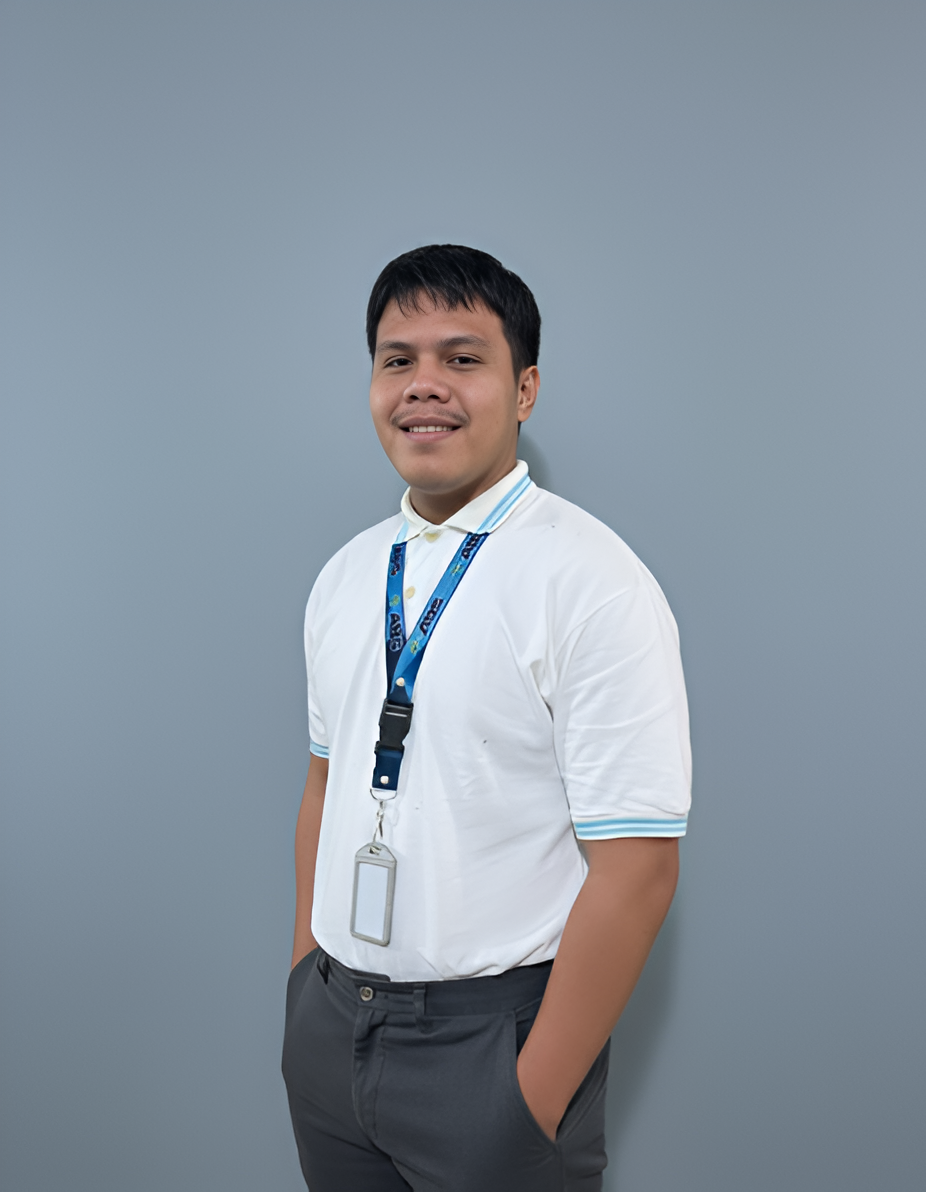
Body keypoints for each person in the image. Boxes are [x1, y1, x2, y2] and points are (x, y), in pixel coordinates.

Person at [282, 244, 691, 1192]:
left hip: (489, 1051)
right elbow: (324, 784)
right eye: (398, 359)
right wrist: (307, 988)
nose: (425, 386)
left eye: (463, 359)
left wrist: (527, 1099)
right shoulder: (346, 574)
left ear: (525, 389)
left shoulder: (592, 581)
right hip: (332, 1032)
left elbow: (639, 867)